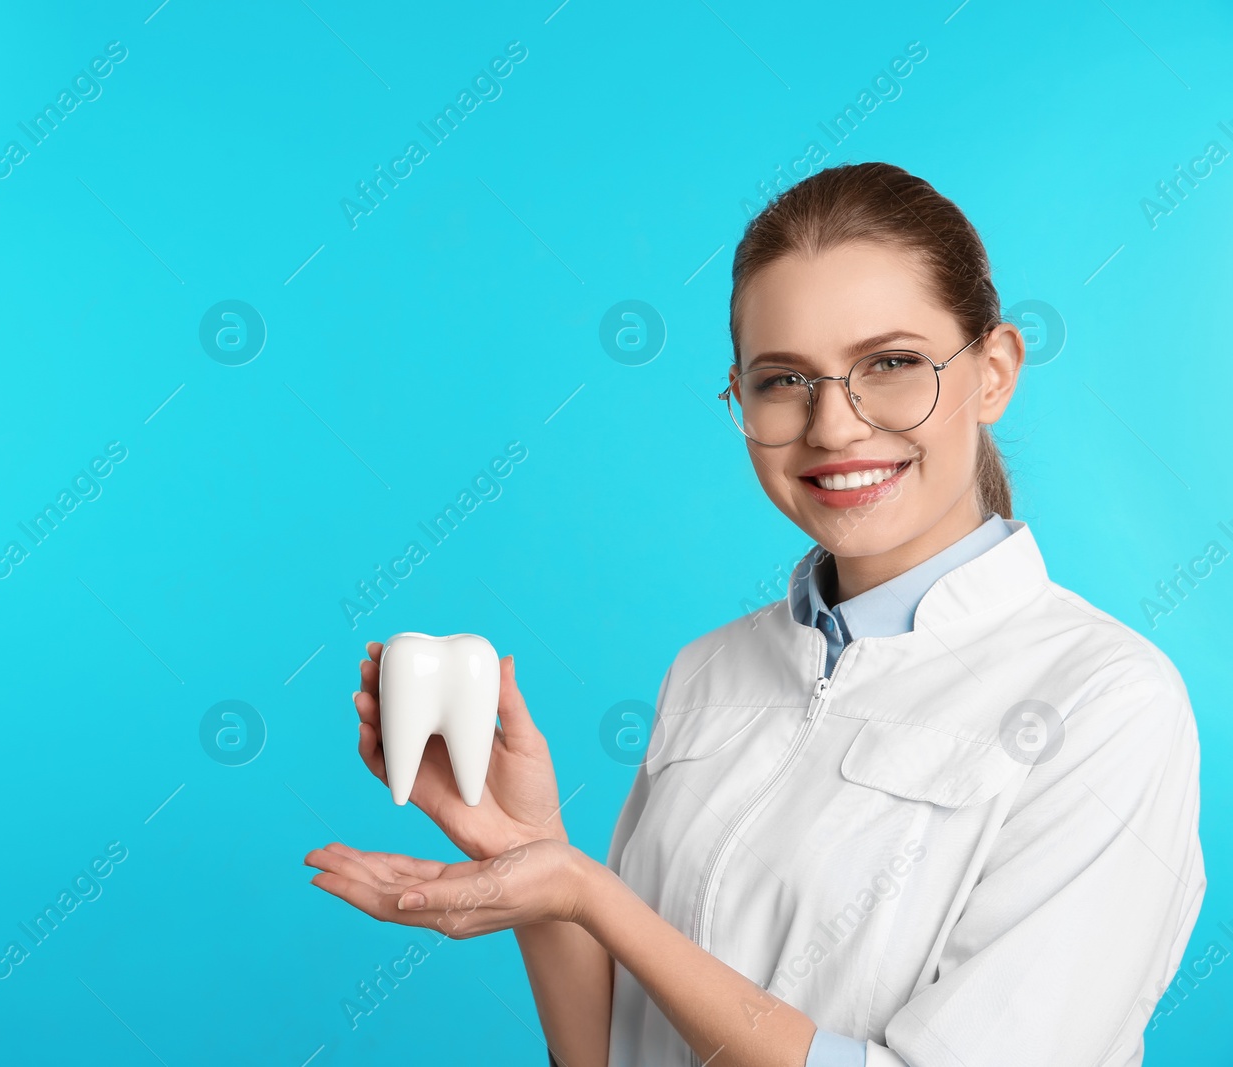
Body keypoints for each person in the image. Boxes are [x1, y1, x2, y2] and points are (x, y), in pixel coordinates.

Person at [303, 161, 1205, 1067]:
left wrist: (592, 893)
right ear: (740, 395)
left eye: (890, 365)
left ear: (995, 370)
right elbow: (607, 1056)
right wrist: (536, 863)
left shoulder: (1104, 702)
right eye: (783, 380)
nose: (835, 427)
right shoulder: (708, 673)